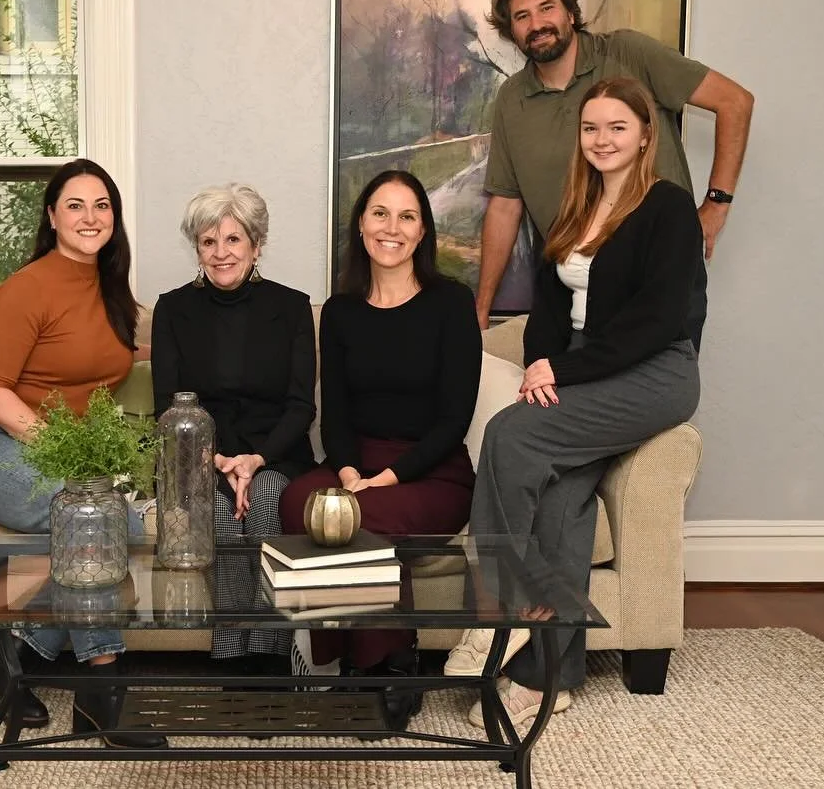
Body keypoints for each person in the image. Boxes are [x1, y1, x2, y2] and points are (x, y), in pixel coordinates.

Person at [460, 76, 702, 730]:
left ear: (645, 134)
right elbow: (548, 308)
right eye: (591, 127)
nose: (602, 139)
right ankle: (550, 676)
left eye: (617, 127)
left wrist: (561, 369)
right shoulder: (574, 205)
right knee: (565, 498)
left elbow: (655, 321)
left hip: (654, 370)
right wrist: (542, 362)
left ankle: (500, 612)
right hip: (588, 365)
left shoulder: (667, 206)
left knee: (511, 436)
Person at [0, 159, 165, 749]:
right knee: (96, 520)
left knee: (107, 519)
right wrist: (67, 458)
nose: (90, 217)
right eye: (76, 205)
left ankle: (7, 654)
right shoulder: (25, 287)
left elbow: (106, 363)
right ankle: (102, 692)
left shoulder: (113, 291)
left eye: (102, 206)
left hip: (56, 453)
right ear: (52, 216)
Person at [278, 169, 482, 731]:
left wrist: (384, 479)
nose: (392, 228)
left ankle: (388, 661)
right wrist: (346, 471)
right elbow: (335, 414)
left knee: (355, 518)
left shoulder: (451, 302)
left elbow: (454, 419)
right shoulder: (340, 311)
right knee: (300, 501)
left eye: (407, 216)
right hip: (355, 461)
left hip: (431, 471)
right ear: (361, 225)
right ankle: (362, 651)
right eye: (380, 214)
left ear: (423, 232)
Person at [474, 0, 754, 343]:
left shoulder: (628, 53)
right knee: (561, 395)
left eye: (546, 7)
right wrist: (482, 307)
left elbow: (734, 102)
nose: (536, 23)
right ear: (512, 31)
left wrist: (716, 204)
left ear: (570, 13)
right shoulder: (511, 100)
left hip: (653, 277)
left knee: (650, 396)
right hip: (569, 280)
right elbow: (505, 206)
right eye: (521, 16)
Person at [151, 184, 316, 677]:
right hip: (200, 454)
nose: (221, 253)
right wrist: (218, 460)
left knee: (265, 497)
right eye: (208, 242)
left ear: (256, 244)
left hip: (276, 453)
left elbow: (301, 406)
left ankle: (267, 656)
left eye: (233, 239)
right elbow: (169, 404)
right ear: (197, 249)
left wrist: (256, 459)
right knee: (218, 509)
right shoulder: (173, 309)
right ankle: (231, 655)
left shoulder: (291, 308)